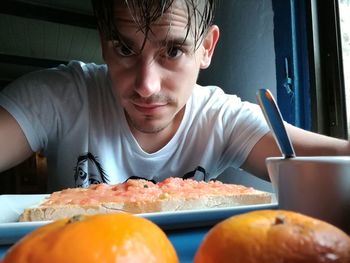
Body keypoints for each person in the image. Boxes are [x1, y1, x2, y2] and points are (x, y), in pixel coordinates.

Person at [0, 0, 349, 192]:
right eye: (124, 48)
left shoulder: (221, 119)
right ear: (104, 44)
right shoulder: (59, 96)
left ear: (206, 48)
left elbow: (336, 156)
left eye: (172, 51)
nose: (146, 86)